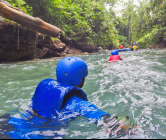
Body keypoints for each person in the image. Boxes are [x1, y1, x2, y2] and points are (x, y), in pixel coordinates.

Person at [3, 57, 133, 139]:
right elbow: (103, 118)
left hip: (16, 124)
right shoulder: (77, 104)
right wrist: (129, 130)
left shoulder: (44, 87)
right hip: (45, 135)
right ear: (81, 80)